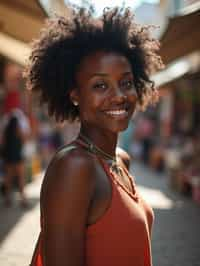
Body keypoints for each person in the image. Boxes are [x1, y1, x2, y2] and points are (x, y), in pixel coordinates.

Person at [24, 6, 163, 266]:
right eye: (100, 85)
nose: (119, 95)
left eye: (126, 82)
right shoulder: (74, 167)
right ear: (75, 95)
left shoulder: (121, 161)